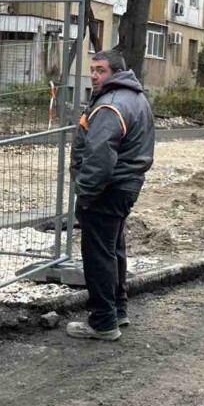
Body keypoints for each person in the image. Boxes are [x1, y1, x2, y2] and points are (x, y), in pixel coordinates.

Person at [67, 50, 155, 341]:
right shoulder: (136, 98)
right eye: (92, 69)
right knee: (114, 248)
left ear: (116, 73)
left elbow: (99, 157)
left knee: (98, 255)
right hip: (126, 185)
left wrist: (86, 193)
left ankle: (103, 322)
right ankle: (118, 309)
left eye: (100, 70)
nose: (94, 75)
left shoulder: (110, 105)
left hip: (107, 188)